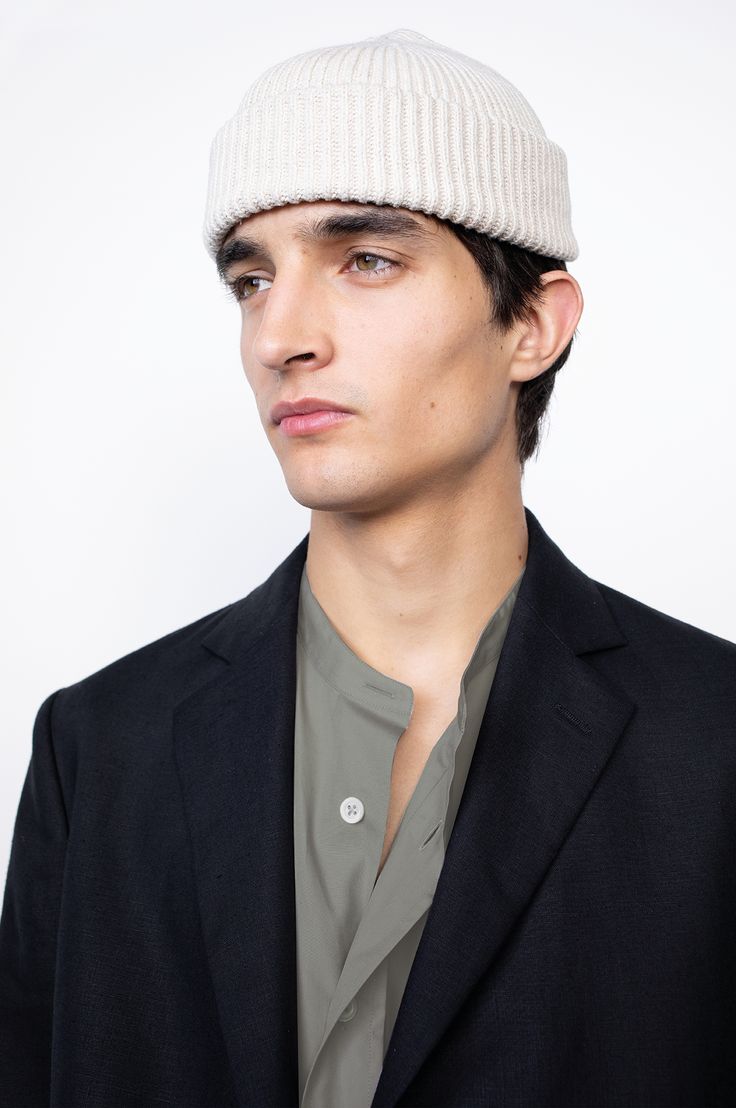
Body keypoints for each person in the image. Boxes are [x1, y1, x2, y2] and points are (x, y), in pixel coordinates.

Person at [1, 26, 734, 1108]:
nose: (279, 336)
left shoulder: (713, 743)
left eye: (367, 260)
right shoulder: (99, 746)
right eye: (252, 279)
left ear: (533, 324)